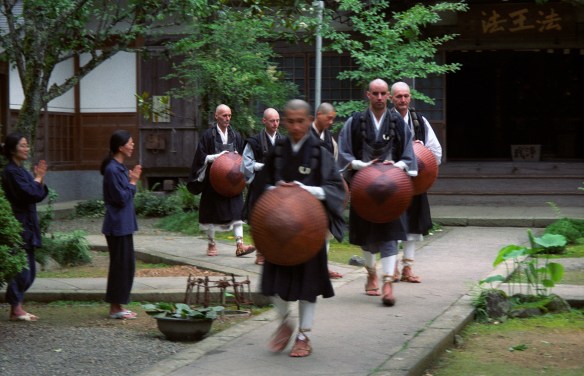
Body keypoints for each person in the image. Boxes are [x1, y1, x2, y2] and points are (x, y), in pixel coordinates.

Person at [257, 99, 346, 357]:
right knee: (275, 282)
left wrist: (307, 192)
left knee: (308, 286)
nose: (295, 126)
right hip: (278, 231)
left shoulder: (319, 150)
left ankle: (304, 336)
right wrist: (276, 191)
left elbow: (335, 188)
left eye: (300, 121)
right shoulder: (279, 149)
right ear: (285, 121)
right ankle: (285, 322)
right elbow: (262, 185)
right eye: (290, 121)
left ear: (309, 120)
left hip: (309, 230)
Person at [337, 78, 417, 307]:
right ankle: (371, 271)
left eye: (384, 93)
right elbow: (343, 154)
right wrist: (358, 165)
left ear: (388, 97)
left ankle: (388, 281)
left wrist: (400, 166)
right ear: (368, 95)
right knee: (368, 238)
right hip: (364, 189)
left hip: (392, 190)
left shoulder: (398, 122)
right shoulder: (354, 121)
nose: (380, 97)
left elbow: (408, 154)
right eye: (376, 93)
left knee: (391, 234)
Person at [389, 81, 442, 283]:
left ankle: (408, 267)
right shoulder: (386, 121)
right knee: (392, 224)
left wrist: (422, 154)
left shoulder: (420, 121)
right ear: (392, 98)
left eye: (406, 96)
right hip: (393, 182)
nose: (403, 100)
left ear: (410, 97)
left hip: (416, 182)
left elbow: (436, 152)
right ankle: (391, 266)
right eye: (398, 96)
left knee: (413, 225)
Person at [188, 104, 256, 257]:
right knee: (212, 212)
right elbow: (201, 156)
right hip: (214, 179)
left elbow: (243, 156)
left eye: (229, 116)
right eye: (224, 115)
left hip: (232, 180)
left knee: (238, 210)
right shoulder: (208, 136)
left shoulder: (235, 135)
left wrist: (237, 157)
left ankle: (240, 245)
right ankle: (211, 243)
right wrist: (217, 157)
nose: (227, 119)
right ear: (216, 116)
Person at [1, 132, 49, 321]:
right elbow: (28, 193)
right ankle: (16, 308)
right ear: (13, 150)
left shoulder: (21, 170)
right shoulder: (11, 172)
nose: (27, 148)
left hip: (28, 223)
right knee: (23, 269)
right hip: (19, 224)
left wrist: (39, 178)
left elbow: (37, 194)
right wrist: (37, 178)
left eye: (27, 145)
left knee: (29, 270)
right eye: (22, 145)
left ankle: (17, 307)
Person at [100, 130, 141, 319]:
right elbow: (121, 198)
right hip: (117, 225)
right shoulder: (112, 169)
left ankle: (118, 305)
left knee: (126, 265)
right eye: (130, 143)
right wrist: (132, 182)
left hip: (123, 224)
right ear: (120, 147)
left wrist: (131, 181)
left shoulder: (120, 168)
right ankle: (115, 308)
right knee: (120, 266)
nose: (132, 145)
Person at [241, 108, 283, 265]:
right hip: (260, 185)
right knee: (259, 221)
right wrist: (263, 166)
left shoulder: (283, 140)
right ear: (264, 121)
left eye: (277, 120)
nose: (275, 124)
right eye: (272, 120)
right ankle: (260, 253)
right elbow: (246, 164)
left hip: (278, 186)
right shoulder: (255, 141)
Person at [311, 102, 343, 279]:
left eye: (333, 118)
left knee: (326, 229)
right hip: (307, 191)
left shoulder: (329, 137)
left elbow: (335, 161)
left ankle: (322, 266)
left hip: (325, 190)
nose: (331, 122)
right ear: (318, 114)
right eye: (328, 118)